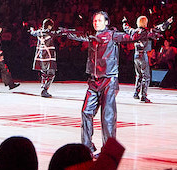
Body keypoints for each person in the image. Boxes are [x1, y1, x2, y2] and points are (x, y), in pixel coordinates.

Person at [59, 11, 150, 152]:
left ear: (106, 22)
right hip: (93, 81)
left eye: (99, 20)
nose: (96, 23)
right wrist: (65, 32)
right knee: (86, 112)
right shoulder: (92, 36)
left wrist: (144, 31)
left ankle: (108, 150)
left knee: (107, 117)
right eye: (95, 20)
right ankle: (87, 146)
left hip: (109, 80)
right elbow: (78, 34)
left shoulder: (113, 35)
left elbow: (133, 36)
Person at [124, 15, 172, 102]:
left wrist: (124, 22)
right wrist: (167, 22)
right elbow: (159, 28)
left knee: (139, 75)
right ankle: (143, 96)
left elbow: (127, 28)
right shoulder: (146, 32)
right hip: (143, 55)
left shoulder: (134, 31)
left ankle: (136, 93)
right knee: (146, 76)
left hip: (136, 55)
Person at [28, 19, 58, 97]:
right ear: (49, 26)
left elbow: (32, 33)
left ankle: (43, 88)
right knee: (51, 74)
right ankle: (44, 90)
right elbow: (59, 33)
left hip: (41, 57)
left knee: (44, 74)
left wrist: (31, 29)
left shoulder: (38, 32)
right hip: (49, 57)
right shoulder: (50, 33)